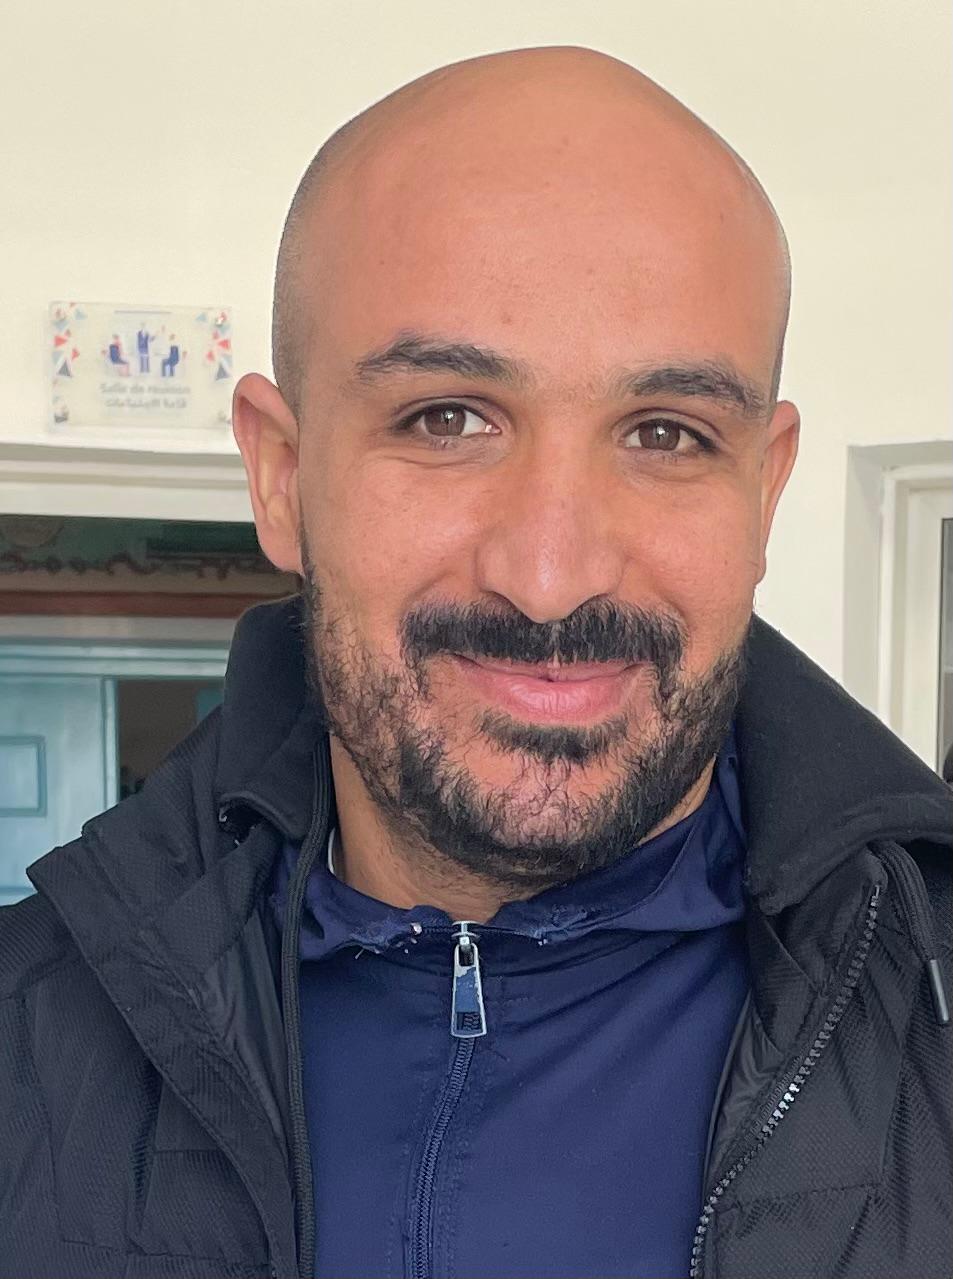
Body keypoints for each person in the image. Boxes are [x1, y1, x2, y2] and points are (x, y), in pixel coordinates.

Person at [1, 47, 950, 1279]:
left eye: (665, 434)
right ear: (281, 475)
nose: (549, 576)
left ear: (760, 493)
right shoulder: (26, 1039)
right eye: (445, 418)